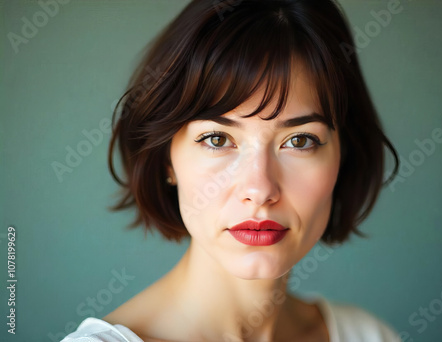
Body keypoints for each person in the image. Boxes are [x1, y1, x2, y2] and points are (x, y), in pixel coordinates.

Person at [61, 0, 401, 341]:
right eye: (217, 138)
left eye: (299, 141)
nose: (259, 188)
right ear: (166, 159)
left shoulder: (370, 335)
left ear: (344, 156)